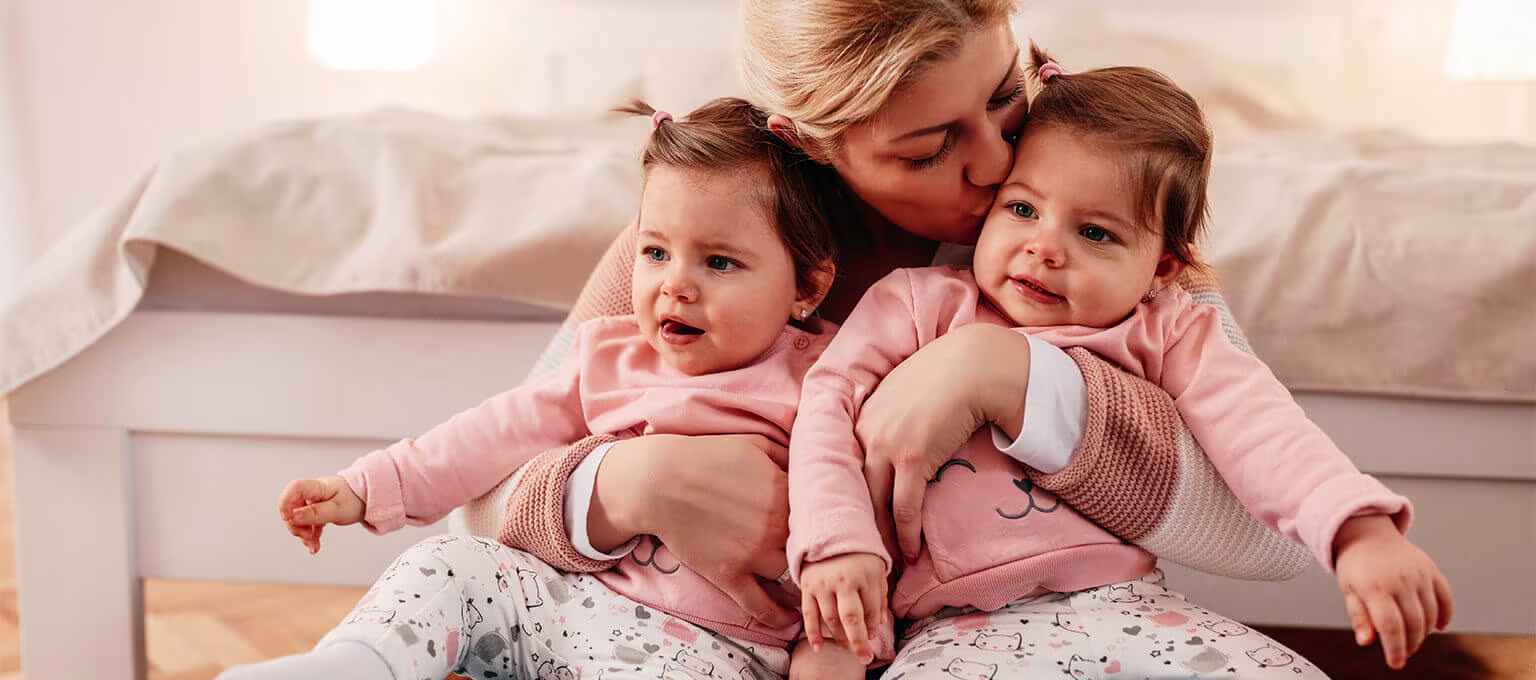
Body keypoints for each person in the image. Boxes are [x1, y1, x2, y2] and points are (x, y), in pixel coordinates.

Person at [787, 46, 1455, 678]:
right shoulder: (915, 302)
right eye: (1021, 209)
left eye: (1096, 233)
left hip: (1124, 602)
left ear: (1162, 265)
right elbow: (826, 409)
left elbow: (1262, 427)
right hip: (953, 625)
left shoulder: (1168, 325)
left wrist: (1361, 533)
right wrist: (837, 550)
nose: (1043, 248)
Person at [218, 97, 869, 680]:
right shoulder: (610, 353)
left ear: (808, 287)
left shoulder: (827, 379)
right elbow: (488, 435)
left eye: (719, 262)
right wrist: (364, 489)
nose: (675, 284)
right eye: (655, 252)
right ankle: (354, 664)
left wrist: (834, 649)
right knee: (446, 564)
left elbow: (861, 527)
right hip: (565, 602)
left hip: (713, 649)